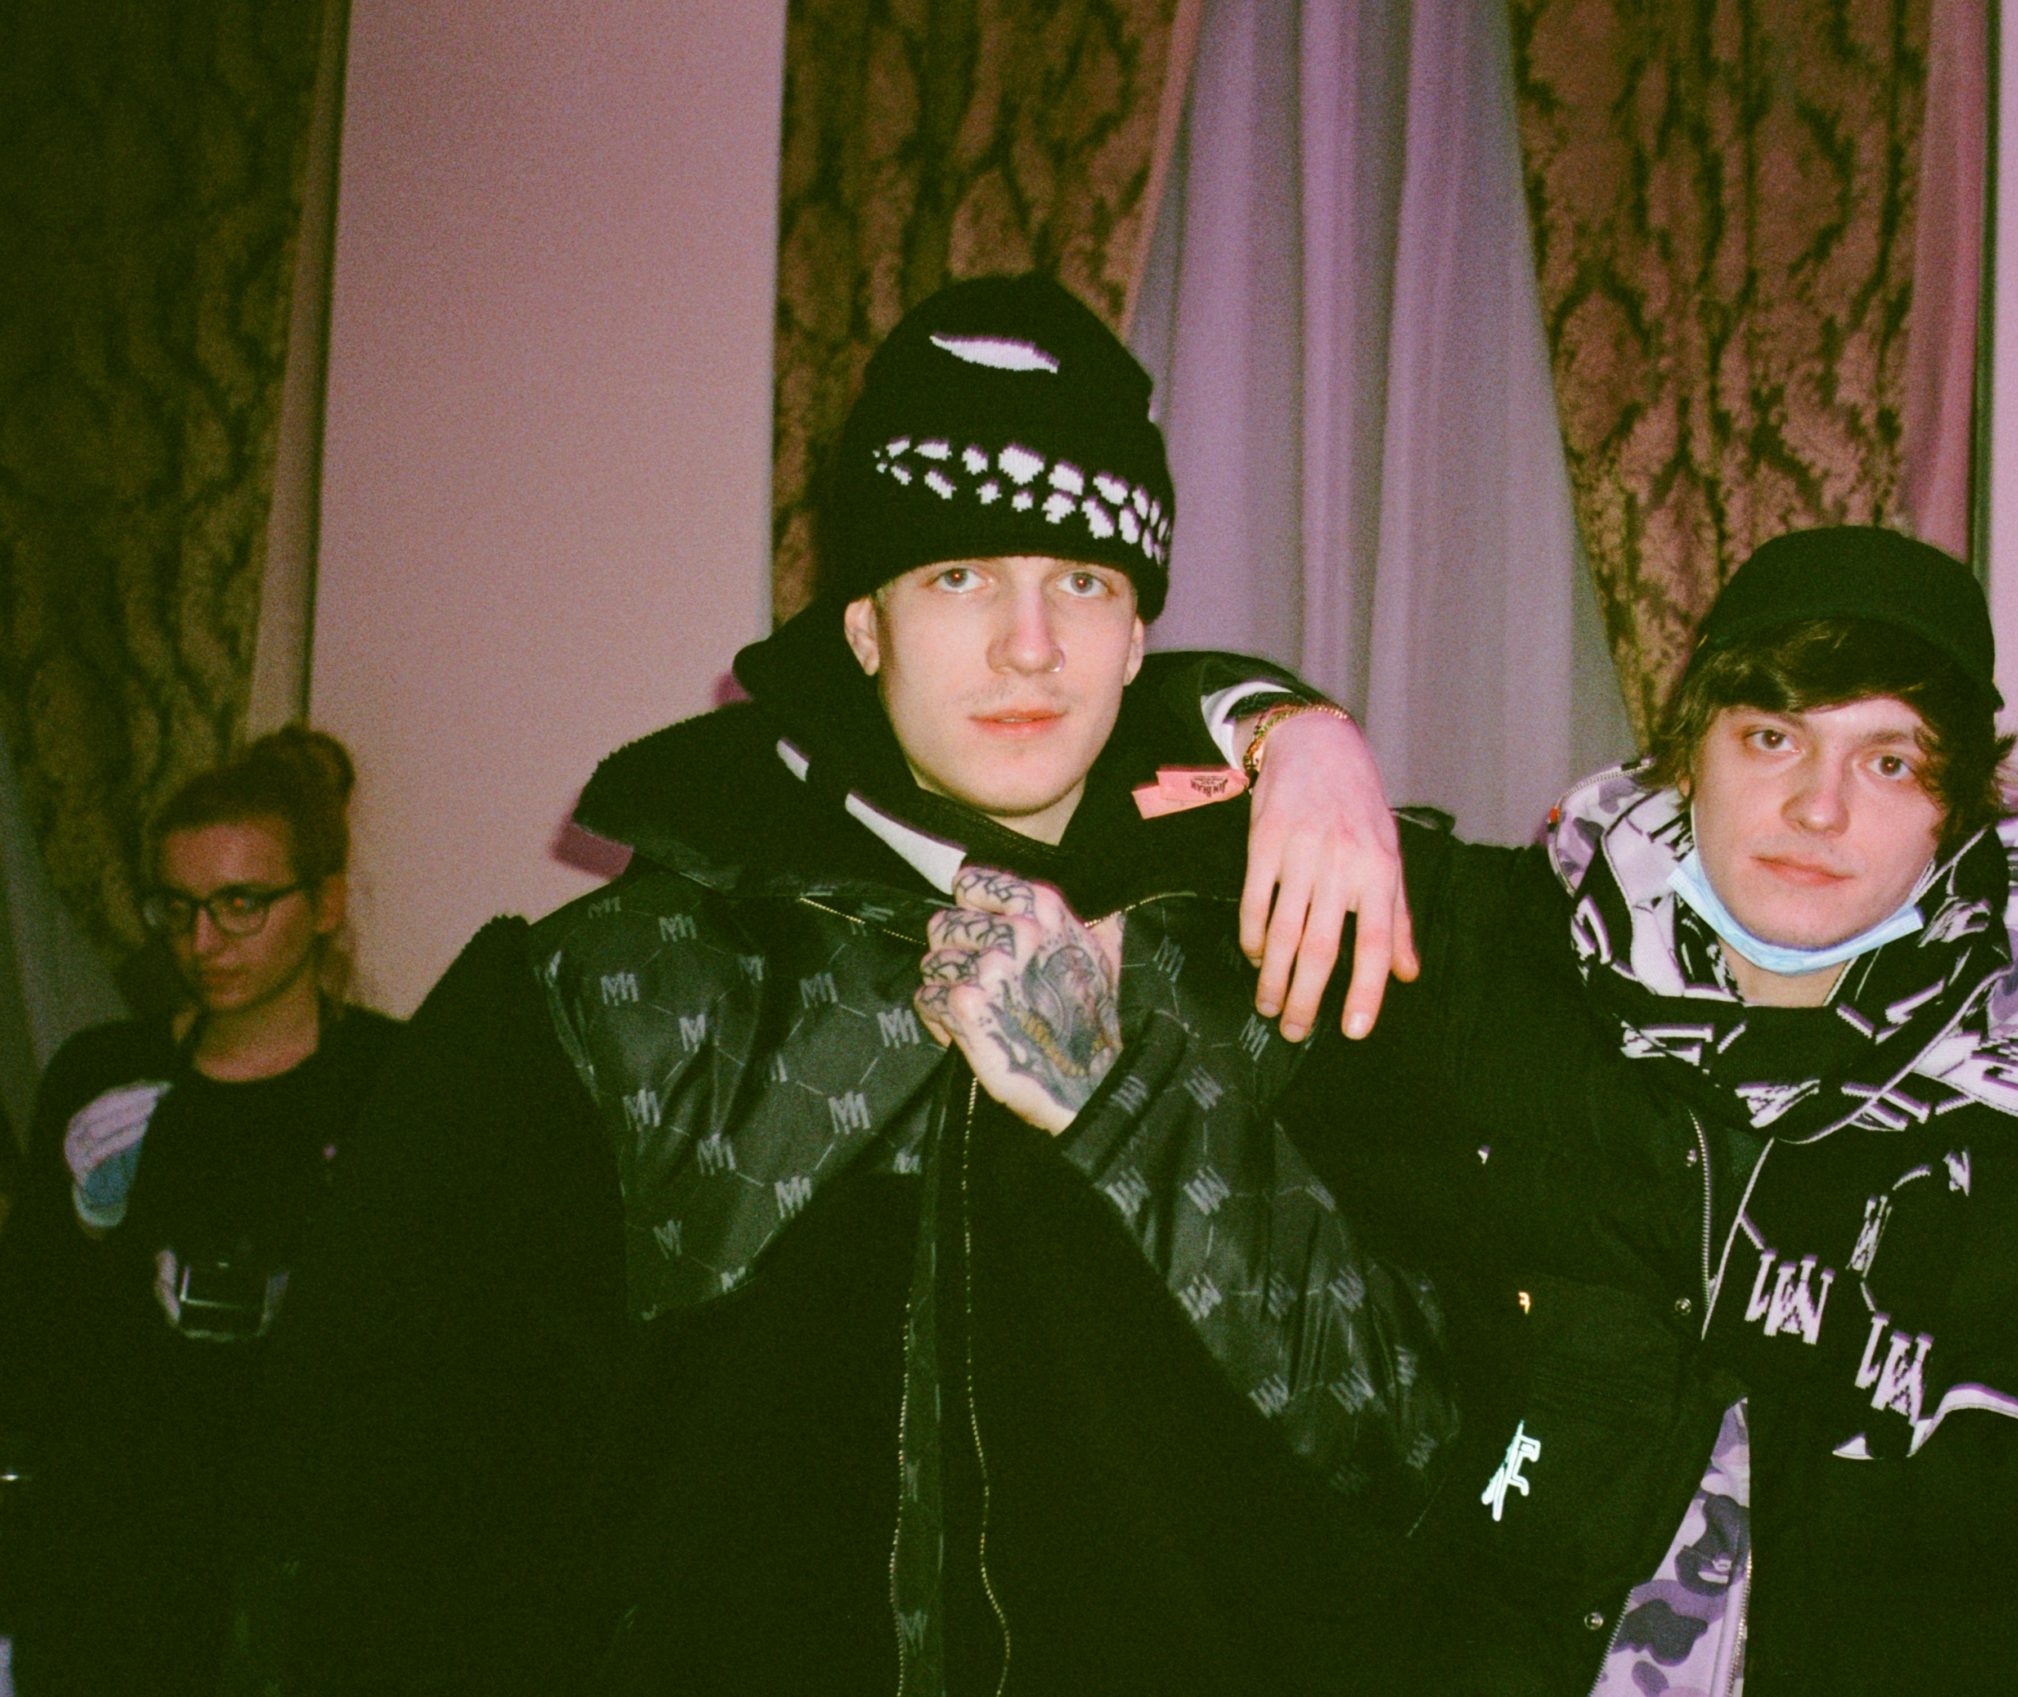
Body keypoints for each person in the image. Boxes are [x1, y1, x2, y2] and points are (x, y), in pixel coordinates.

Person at [249, 274, 1489, 1697]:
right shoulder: (628, 986)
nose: (1030, 644)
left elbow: (1414, 1449)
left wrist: (1130, 1103)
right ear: (863, 627)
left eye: (1083, 581)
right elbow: (402, 1524)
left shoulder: (1289, 951)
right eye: (958, 576)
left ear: (1141, 637)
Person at [1282, 525, 2018, 1692]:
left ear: (1958, 809)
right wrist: (1287, 734)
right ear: (1687, 755)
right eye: (1772, 736)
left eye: (1889, 761)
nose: (1818, 806)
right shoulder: (1482, 982)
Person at [0, 728, 400, 1697]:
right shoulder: (104, 1072)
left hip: (304, 1560)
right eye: (176, 907)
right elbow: (35, 1324)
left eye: (240, 903)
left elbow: (433, 1340)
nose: (202, 941)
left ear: (325, 905)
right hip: (116, 1553)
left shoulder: (396, 1081)